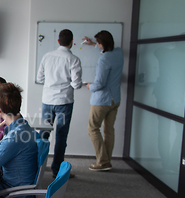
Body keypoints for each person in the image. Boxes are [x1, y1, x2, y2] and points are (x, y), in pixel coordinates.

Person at [37, 29, 82, 178]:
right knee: (61, 137)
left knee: (43, 134)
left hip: (48, 100)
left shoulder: (47, 56)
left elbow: (40, 78)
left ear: (58, 41)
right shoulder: (74, 59)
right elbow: (76, 85)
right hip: (64, 102)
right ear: (72, 42)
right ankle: (56, 171)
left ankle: (36, 167)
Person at [82, 31, 124, 171]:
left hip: (102, 100)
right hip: (115, 99)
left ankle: (102, 161)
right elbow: (107, 49)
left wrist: (89, 86)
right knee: (108, 130)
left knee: (93, 128)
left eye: (98, 43)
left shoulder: (104, 59)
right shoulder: (119, 52)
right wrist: (93, 44)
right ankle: (106, 161)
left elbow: (99, 83)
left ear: (102, 44)